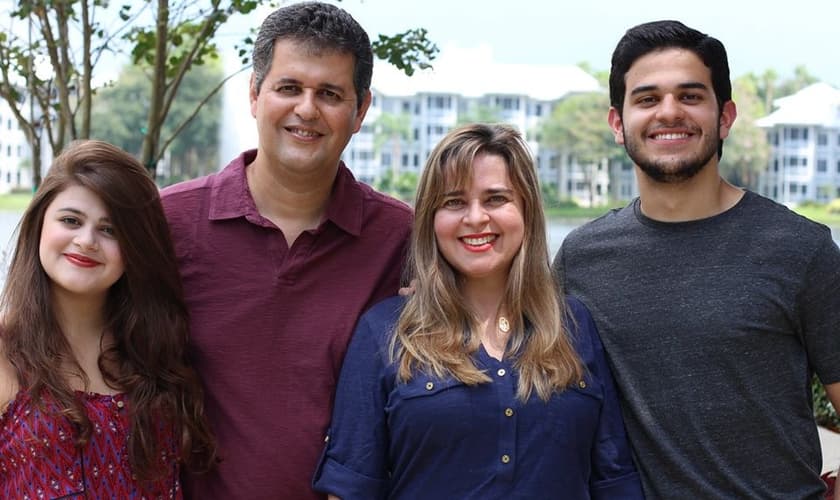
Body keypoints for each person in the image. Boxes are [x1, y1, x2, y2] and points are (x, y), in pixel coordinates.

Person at [553, 20, 840, 499]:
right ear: (618, 123)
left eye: (690, 96)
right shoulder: (581, 259)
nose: (669, 113)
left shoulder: (800, 250)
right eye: (647, 99)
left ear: (725, 116)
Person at [160, 2, 412, 498]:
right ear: (255, 95)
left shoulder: (401, 237)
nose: (307, 109)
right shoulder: (168, 222)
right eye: (289, 87)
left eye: (330, 93)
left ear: (360, 110)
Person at [312, 123, 643, 499]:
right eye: (453, 202)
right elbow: (351, 488)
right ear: (431, 221)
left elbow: (614, 480)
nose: (475, 218)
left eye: (495, 199)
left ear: (527, 210)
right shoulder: (384, 332)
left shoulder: (574, 325)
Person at [0, 140, 216, 497]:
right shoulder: (7, 353)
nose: (86, 241)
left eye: (110, 229)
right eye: (71, 220)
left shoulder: (157, 356)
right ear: (40, 224)